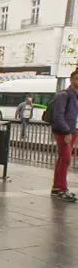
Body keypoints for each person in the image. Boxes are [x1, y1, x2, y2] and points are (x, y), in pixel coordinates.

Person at [51, 70, 78, 202]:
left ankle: (57, 187)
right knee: (66, 158)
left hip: (73, 131)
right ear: (71, 80)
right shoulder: (64, 95)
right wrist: (67, 131)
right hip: (64, 131)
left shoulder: (75, 96)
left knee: (63, 159)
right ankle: (62, 189)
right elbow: (58, 115)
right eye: (77, 79)